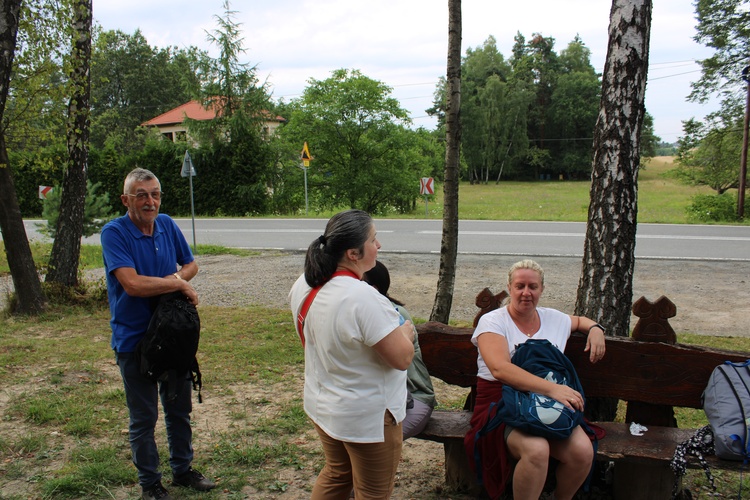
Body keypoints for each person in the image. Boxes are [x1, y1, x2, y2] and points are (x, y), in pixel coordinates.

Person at [101, 168, 215, 500]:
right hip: (135, 339)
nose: (150, 201)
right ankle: (150, 483)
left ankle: (182, 470)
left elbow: (191, 264)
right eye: (141, 195)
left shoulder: (166, 224)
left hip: (173, 335)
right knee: (144, 416)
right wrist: (177, 283)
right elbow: (132, 284)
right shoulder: (115, 233)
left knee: (179, 408)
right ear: (126, 200)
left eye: (155, 194)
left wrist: (180, 277)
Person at [288, 209, 415, 500]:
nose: (379, 246)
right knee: (373, 492)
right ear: (353, 253)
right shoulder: (363, 297)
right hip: (367, 418)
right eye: (374, 239)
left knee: (336, 474)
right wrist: (406, 335)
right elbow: (402, 358)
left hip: (324, 404)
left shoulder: (304, 283)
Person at [463, 259, 606, 500]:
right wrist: (553, 389)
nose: (526, 293)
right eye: (520, 286)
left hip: (547, 406)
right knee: (537, 450)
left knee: (582, 451)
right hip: (501, 405)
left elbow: (580, 321)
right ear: (509, 287)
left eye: (533, 286)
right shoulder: (494, 321)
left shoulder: (554, 319)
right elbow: (500, 369)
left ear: (542, 289)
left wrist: (595, 329)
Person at [363, 261, 436, 439]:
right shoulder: (367, 312)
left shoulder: (393, 313)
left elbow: (396, 361)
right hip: (386, 401)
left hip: (415, 399)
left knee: (375, 443)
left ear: (372, 288)